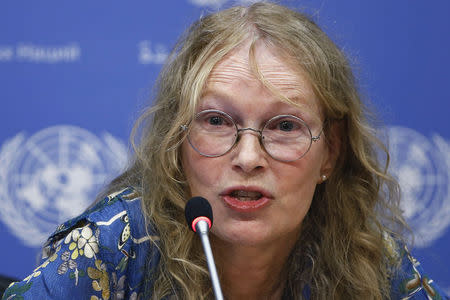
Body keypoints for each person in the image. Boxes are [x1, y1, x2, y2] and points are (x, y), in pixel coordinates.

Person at [2, 2, 448, 300]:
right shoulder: (112, 246)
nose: (249, 157)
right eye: (217, 121)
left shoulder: (366, 260)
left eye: (285, 125)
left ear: (329, 153)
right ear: (177, 141)